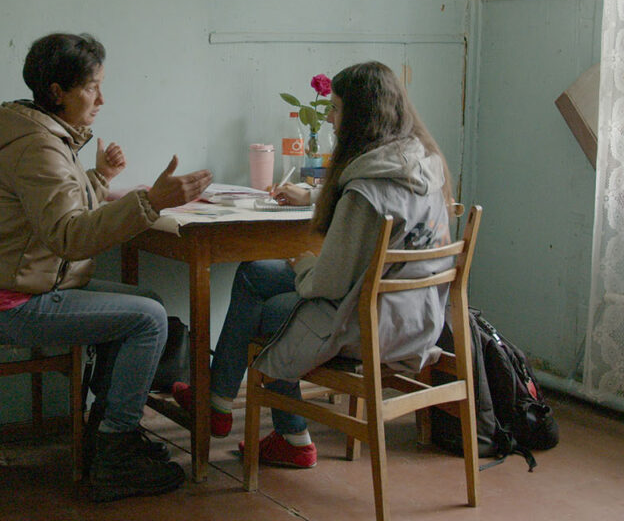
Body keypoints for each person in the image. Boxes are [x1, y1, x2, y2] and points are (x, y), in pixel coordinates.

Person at [0, 32, 212, 502]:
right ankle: (114, 453)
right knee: (149, 319)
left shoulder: (45, 139)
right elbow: (69, 236)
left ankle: (103, 434)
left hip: (27, 289)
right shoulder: (39, 148)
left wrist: (99, 179)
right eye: (92, 87)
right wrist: (151, 201)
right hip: (11, 304)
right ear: (57, 92)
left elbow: (58, 213)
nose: (102, 98)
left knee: (150, 302)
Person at [172, 61, 453, 468]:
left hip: (364, 322)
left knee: (267, 313)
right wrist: (318, 197)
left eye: (335, 109)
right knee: (253, 273)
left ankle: (286, 433)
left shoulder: (365, 192)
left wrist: (305, 265)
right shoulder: (421, 166)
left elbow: (330, 283)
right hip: (417, 317)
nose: (330, 118)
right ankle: (220, 400)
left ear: (357, 116)